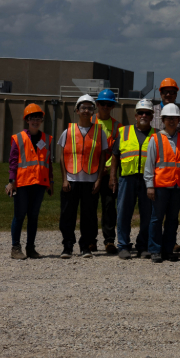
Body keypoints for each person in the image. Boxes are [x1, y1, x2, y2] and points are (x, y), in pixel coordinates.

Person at [58, 94, 112, 259]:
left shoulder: (99, 132)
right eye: (83, 107)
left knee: (89, 216)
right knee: (68, 215)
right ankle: (67, 246)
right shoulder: (68, 131)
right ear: (77, 110)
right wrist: (65, 179)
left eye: (90, 108)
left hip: (90, 181)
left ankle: (85, 246)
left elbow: (102, 156)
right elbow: (62, 156)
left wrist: (99, 179)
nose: (86, 110)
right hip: (72, 181)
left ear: (93, 111)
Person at [7, 103, 53, 260]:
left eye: (38, 118)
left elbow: (48, 162)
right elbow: (13, 161)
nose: (35, 121)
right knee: (19, 216)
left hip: (39, 183)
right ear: (27, 120)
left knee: (33, 216)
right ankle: (15, 248)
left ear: (41, 120)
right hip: (22, 183)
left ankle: (30, 248)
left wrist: (50, 182)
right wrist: (11, 181)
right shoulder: (19, 138)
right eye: (32, 118)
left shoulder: (46, 139)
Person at [145, 103, 180, 263]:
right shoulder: (155, 139)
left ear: (179, 120)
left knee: (172, 219)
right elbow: (149, 165)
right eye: (169, 118)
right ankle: (155, 250)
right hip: (161, 185)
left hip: (179, 186)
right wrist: (150, 185)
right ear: (163, 120)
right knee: (156, 218)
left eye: (175, 118)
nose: (172, 121)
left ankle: (168, 249)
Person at [110, 99, 155, 259]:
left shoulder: (156, 135)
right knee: (123, 212)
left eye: (147, 113)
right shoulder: (124, 132)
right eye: (141, 113)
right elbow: (115, 155)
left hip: (148, 180)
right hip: (126, 179)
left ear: (152, 116)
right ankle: (123, 245)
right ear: (135, 115)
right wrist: (113, 176)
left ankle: (143, 246)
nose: (144, 115)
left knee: (147, 213)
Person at [93, 88, 121, 254]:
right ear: (97, 104)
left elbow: (117, 152)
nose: (105, 106)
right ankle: (90, 240)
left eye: (109, 104)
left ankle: (109, 241)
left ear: (112, 106)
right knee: (90, 207)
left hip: (109, 172)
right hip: (90, 172)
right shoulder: (89, 121)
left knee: (109, 207)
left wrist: (110, 171)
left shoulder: (117, 126)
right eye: (102, 103)